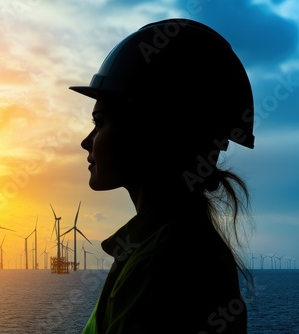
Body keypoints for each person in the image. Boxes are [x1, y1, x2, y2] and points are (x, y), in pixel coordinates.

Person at [69, 18, 255, 333]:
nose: (86, 141)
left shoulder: (165, 263)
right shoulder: (168, 247)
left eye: (99, 123)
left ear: (147, 130)